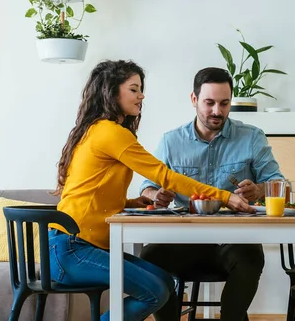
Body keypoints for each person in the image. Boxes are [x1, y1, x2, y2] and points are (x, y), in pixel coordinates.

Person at [47, 60, 254, 321]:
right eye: (134, 89)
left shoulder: (102, 130)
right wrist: (226, 196)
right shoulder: (110, 133)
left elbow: (97, 196)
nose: (141, 95)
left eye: (141, 89)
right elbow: (164, 176)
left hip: (82, 247)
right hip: (72, 248)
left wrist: (136, 201)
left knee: (165, 282)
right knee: (155, 290)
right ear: (111, 92)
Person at [138, 67, 285, 321]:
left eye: (224, 103)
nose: (217, 111)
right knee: (150, 257)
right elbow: (146, 187)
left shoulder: (251, 138)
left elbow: (279, 184)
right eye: (209, 103)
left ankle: (232, 317)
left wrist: (259, 190)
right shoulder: (171, 142)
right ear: (194, 100)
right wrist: (155, 195)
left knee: (251, 258)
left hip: (234, 241)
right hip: (183, 240)